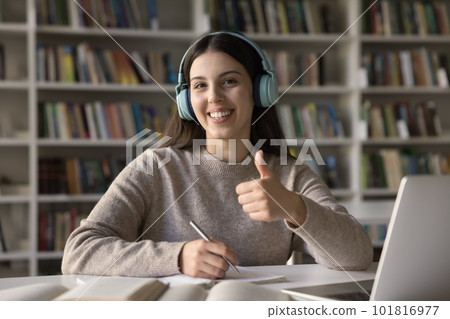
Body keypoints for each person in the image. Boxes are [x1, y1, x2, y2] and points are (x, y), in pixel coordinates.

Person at [62, 32, 373, 279]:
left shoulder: (290, 176)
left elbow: (357, 256)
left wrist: (295, 208)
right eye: (200, 85)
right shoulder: (156, 167)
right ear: (187, 101)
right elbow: (79, 252)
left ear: (260, 90)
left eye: (229, 81)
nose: (214, 97)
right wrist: (178, 257)